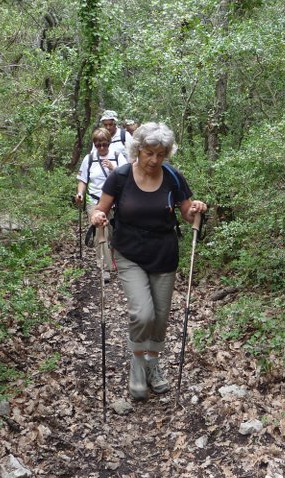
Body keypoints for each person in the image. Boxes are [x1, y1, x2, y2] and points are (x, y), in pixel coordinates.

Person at [90, 122, 207, 400]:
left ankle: (153, 365)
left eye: (161, 154)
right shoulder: (119, 177)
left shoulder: (173, 177)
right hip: (129, 252)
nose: (154, 160)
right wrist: (97, 217)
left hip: (164, 252)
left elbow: (188, 214)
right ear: (138, 150)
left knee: (161, 318)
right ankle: (137, 365)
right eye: (149, 153)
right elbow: (100, 209)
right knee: (143, 313)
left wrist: (196, 209)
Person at [76, 128, 127, 281]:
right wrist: (80, 193)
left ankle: (112, 260)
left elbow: (127, 178)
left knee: (112, 234)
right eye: (98, 145)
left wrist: (113, 168)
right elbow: (83, 179)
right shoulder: (89, 159)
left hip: (114, 203)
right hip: (94, 202)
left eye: (104, 144)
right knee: (100, 234)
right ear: (94, 144)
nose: (102, 148)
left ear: (109, 143)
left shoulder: (118, 157)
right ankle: (104, 268)